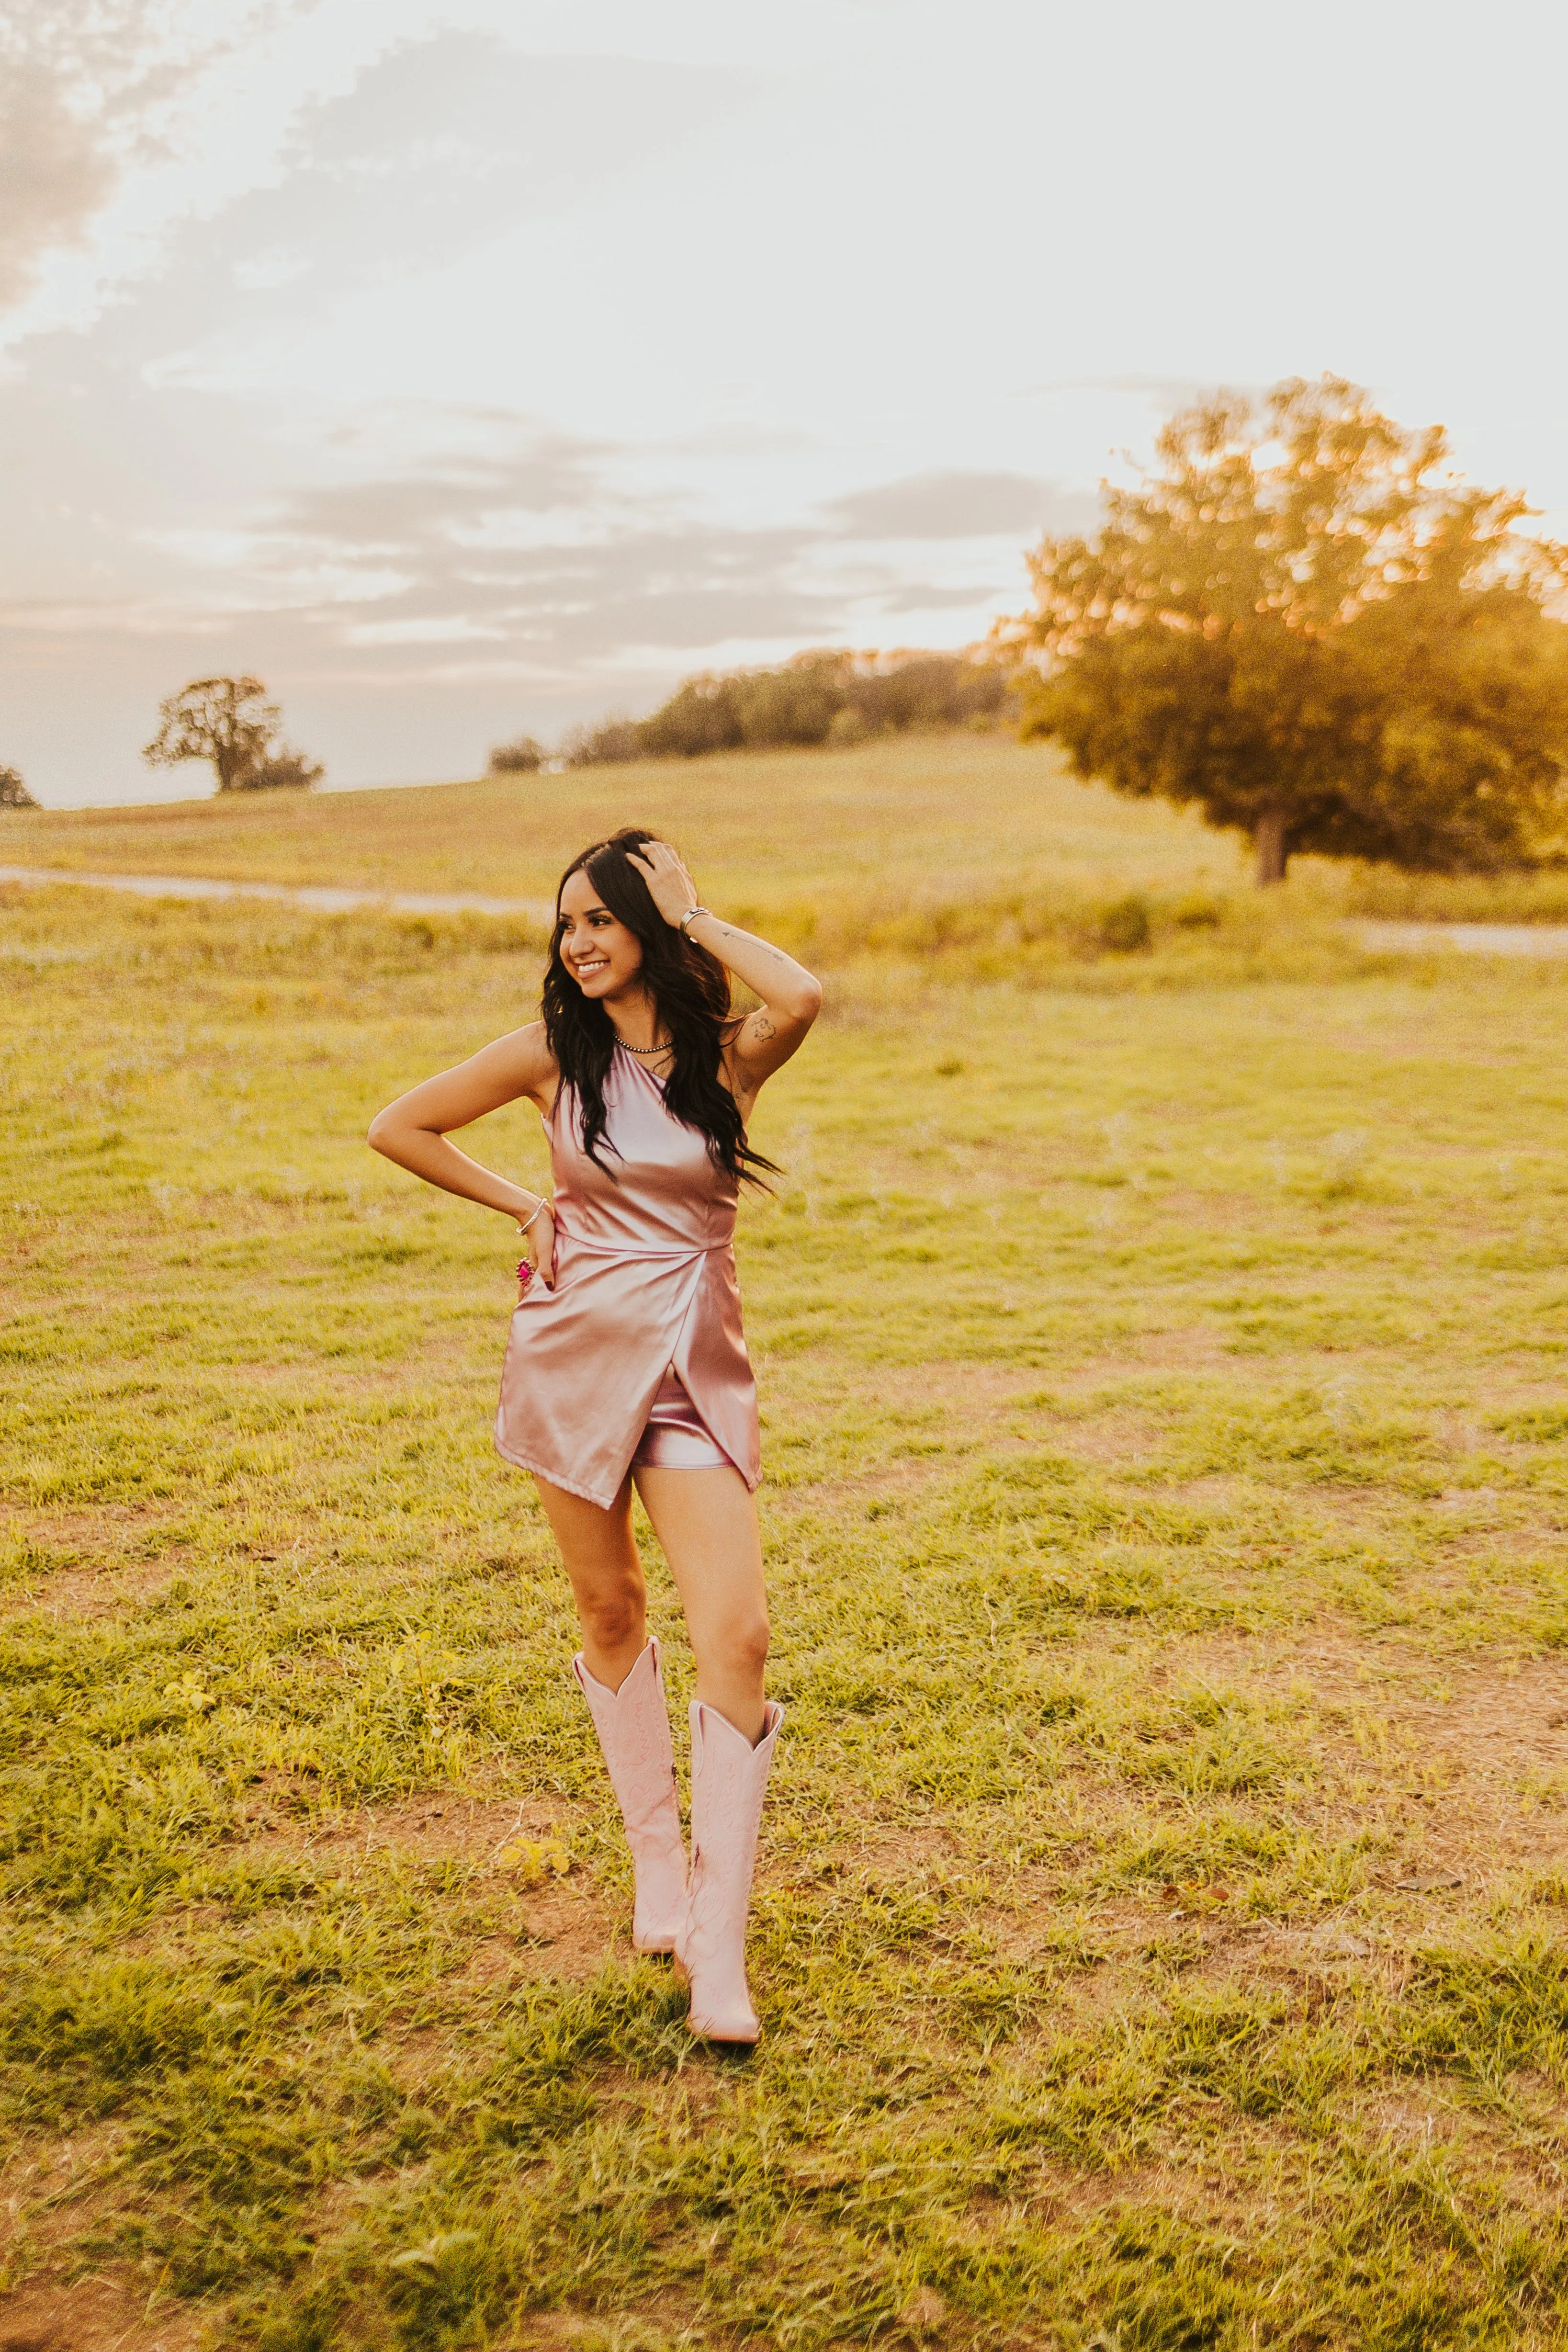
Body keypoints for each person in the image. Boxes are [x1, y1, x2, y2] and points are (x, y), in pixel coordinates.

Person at [368, 830, 822, 2043]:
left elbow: (805, 994)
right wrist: (526, 1201)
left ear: (650, 928)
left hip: (691, 1365)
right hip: (571, 1359)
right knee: (610, 1610)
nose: (576, 940)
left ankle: (717, 1950)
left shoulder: (726, 1059)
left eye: (602, 918)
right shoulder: (546, 1057)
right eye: (565, 921)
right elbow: (397, 1126)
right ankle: (659, 1877)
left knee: (738, 1629)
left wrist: (696, 912)